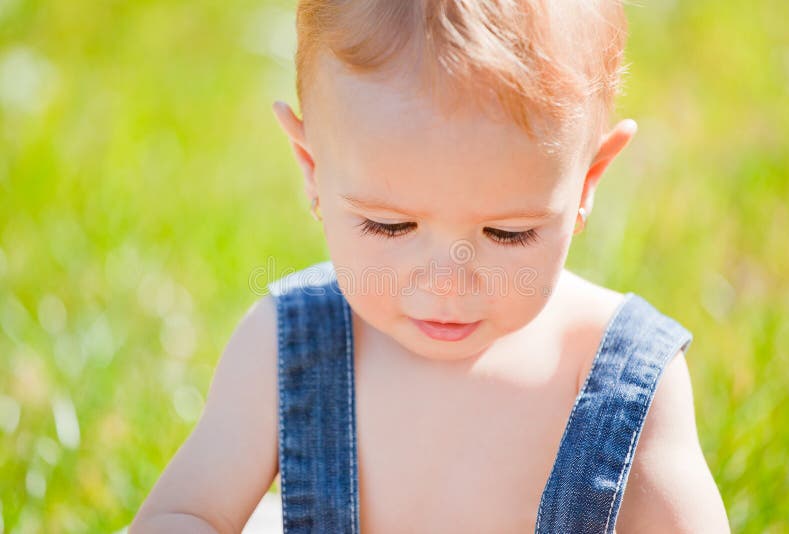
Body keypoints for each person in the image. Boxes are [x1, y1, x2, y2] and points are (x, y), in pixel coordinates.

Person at [130, 0, 731, 532]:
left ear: (587, 182)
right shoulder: (286, 348)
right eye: (389, 226)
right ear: (312, 168)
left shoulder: (618, 378)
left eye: (507, 233)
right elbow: (185, 514)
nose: (446, 282)